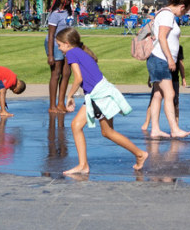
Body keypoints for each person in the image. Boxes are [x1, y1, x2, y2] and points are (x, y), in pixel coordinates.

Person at [56, 27, 148, 174]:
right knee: (86, 127)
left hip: (99, 95)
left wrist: (69, 95)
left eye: (59, 45)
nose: (59, 48)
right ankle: (83, 165)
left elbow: (78, 78)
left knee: (104, 131)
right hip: (100, 92)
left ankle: (140, 154)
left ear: (67, 43)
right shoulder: (80, 51)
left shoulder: (72, 53)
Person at [143, 0, 190, 139]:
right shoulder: (167, 15)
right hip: (160, 59)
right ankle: (174, 129)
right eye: (185, 11)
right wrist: (171, 59)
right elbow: (162, 37)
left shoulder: (163, 13)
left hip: (158, 59)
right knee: (169, 93)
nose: (183, 14)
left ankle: (155, 129)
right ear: (182, 6)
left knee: (158, 95)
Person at [45, 0, 74, 113]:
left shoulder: (70, 12)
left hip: (67, 45)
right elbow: (51, 35)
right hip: (55, 44)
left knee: (67, 73)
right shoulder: (55, 14)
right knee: (56, 73)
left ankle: (61, 103)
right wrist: (50, 55)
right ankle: (52, 106)